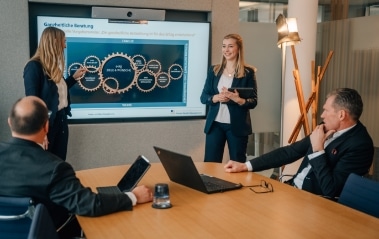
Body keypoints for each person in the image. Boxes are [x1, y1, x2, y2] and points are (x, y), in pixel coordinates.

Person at [0, 96, 153, 238]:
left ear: (9, 122)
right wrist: (134, 196)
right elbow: (89, 205)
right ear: (46, 126)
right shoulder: (54, 168)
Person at [224, 88, 374, 198]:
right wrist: (246, 166)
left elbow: (331, 190)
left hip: (316, 203)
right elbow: (290, 152)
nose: (322, 115)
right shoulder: (325, 126)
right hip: (293, 190)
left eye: (326, 110)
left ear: (341, 115)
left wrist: (318, 150)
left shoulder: (360, 145)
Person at [23, 26, 87, 161]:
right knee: (45, 165)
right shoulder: (33, 67)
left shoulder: (53, 67)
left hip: (61, 120)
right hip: (46, 125)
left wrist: (73, 78)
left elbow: (55, 94)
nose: (64, 46)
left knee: (59, 164)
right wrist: (40, 131)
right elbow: (32, 103)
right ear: (55, 42)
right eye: (64, 41)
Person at [200, 33, 258, 163]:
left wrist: (237, 99)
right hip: (215, 125)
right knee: (210, 164)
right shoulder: (214, 70)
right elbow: (204, 97)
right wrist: (216, 97)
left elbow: (253, 101)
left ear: (238, 49)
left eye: (230, 46)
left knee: (237, 165)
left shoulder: (248, 72)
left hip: (237, 127)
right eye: (224, 46)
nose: (226, 50)